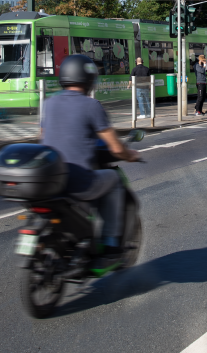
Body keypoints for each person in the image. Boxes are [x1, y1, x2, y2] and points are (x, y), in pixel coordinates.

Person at [40, 54, 140, 270]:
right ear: (88, 78)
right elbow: (114, 147)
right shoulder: (91, 106)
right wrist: (131, 155)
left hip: (50, 181)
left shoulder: (49, 103)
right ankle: (112, 245)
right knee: (113, 180)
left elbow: (44, 136)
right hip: (78, 181)